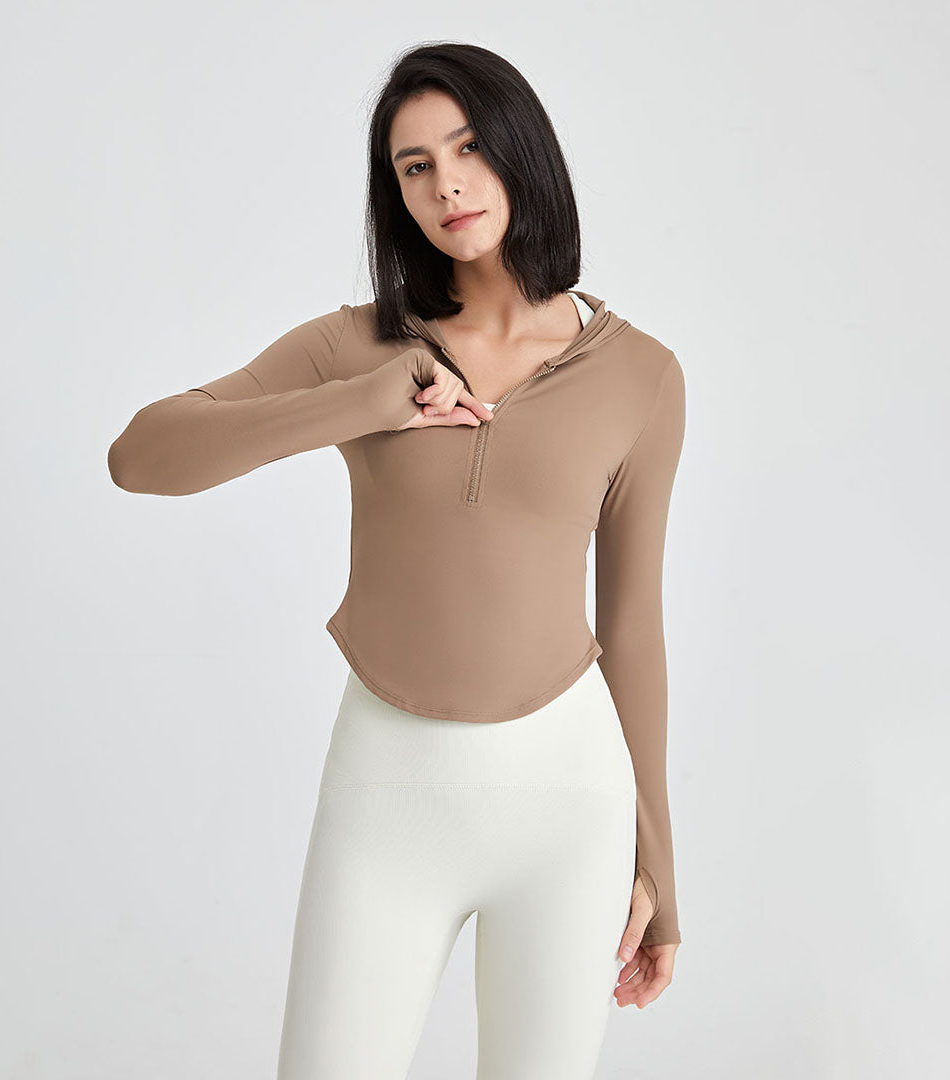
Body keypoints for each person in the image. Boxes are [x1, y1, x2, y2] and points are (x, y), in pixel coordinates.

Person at [108, 41, 687, 1080]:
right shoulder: (357, 344)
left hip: (572, 803)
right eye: (414, 166)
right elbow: (141, 457)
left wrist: (663, 873)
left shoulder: (642, 375)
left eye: (468, 149)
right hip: (387, 796)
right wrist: (363, 403)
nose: (446, 185)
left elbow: (632, 631)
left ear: (521, 152)